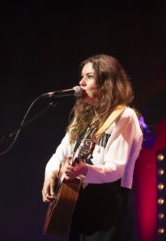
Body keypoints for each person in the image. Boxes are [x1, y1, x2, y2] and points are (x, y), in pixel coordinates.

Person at [42, 54, 143, 241]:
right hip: (81, 201)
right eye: (81, 76)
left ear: (107, 82)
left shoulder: (124, 116)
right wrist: (51, 172)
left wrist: (85, 170)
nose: (81, 82)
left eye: (89, 77)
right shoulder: (84, 116)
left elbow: (116, 168)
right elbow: (60, 153)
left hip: (109, 204)